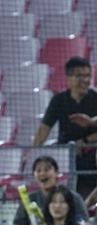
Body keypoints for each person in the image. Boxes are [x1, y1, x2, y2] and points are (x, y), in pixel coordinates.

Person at [33, 57, 97, 198]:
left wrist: (85, 141)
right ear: (68, 78)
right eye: (80, 75)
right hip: (65, 153)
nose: (85, 80)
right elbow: (44, 128)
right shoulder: (59, 100)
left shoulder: (95, 98)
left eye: (87, 76)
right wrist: (32, 152)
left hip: (91, 152)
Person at [13, 156, 90, 225]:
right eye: (38, 170)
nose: (42, 173)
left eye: (47, 169)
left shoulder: (74, 200)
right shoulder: (30, 199)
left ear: (56, 172)